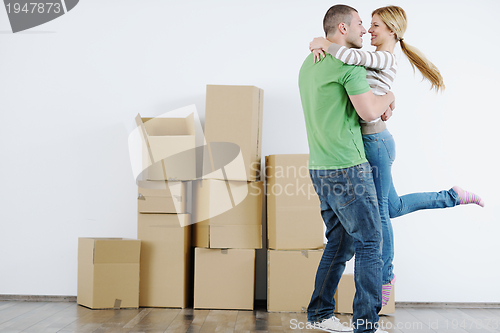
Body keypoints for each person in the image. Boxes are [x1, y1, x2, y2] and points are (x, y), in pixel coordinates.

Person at [309, 5, 485, 309]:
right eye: (367, 24)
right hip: (372, 140)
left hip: (375, 143)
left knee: (379, 215)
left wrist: (323, 43)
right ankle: (452, 196)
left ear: (391, 29)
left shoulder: (383, 57)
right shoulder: (375, 59)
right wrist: (388, 99)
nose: (369, 30)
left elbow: (351, 59)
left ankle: (386, 275)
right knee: (392, 207)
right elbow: (363, 91)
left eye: (375, 25)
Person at [299, 5, 395, 333]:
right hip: (347, 167)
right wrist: (391, 95)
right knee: (371, 241)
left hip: (319, 166)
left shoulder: (308, 64)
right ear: (342, 28)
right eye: (358, 24)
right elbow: (369, 112)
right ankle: (366, 325)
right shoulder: (347, 62)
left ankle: (319, 314)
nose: (364, 31)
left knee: (339, 242)